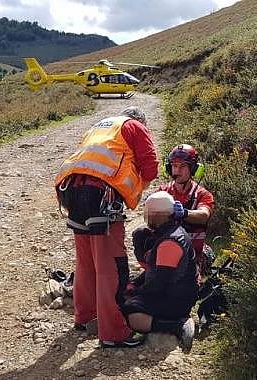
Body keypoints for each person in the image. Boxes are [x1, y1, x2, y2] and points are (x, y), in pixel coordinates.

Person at [55, 106, 158, 348]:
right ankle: (113, 332)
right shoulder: (134, 126)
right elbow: (151, 167)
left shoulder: (100, 127)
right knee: (110, 265)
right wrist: (131, 189)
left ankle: (85, 317)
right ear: (140, 120)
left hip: (71, 190)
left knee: (85, 261)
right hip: (101, 196)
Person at [122, 191, 198, 352]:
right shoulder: (172, 233)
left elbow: (159, 282)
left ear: (157, 215)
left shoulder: (170, 242)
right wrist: (134, 284)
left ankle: (175, 325)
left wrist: (135, 293)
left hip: (176, 299)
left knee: (130, 311)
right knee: (128, 294)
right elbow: (156, 272)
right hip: (177, 293)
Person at [160, 144, 215, 273]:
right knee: (140, 234)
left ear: (194, 169)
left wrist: (185, 213)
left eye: (183, 166)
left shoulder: (202, 194)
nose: (177, 171)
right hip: (165, 251)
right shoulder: (163, 191)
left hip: (192, 254)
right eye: (174, 166)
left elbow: (204, 215)